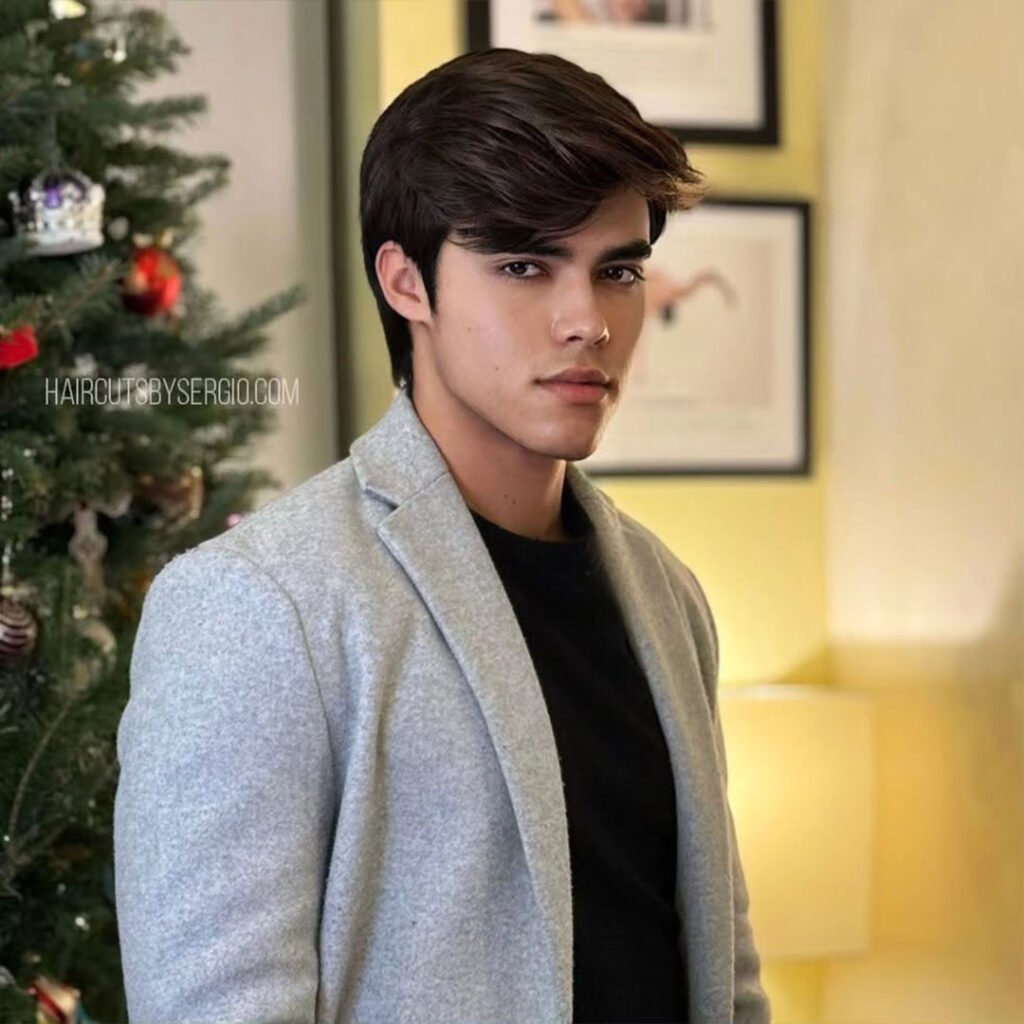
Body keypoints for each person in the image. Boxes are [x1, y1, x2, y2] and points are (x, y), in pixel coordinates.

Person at [113, 47, 771, 1024]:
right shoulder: (257, 604)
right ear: (405, 282)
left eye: (619, 270)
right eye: (523, 265)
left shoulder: (668, 594)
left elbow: (725, 971)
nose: (587, 321)